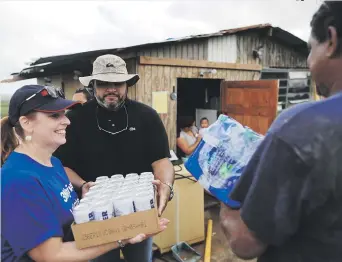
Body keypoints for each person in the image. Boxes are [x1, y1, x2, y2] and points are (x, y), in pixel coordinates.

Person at [219, 1, 342, 261]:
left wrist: (223, 190)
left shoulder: (302, 128)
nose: (308, 62)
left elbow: (246, 244)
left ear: (331, 40)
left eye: (310, 49)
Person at [0, 85, 169, 262]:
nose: (66, 121)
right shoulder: (18, 180)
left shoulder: (53, 164)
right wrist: (123, 237)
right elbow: (51, 255)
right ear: (26, 123)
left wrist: (88, 195)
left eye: (64, 114)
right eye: (54, 115)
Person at [53, 54, 174, 262]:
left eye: (117, 83)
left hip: (138, 212)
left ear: (127, 85)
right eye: (103, 83)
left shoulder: (147, 116)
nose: (111, 89)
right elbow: (61, 165)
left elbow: (161, 160)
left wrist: (166, 185)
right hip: (96, 216)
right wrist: (82, 184)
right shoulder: (75, 120)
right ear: (93, 86)